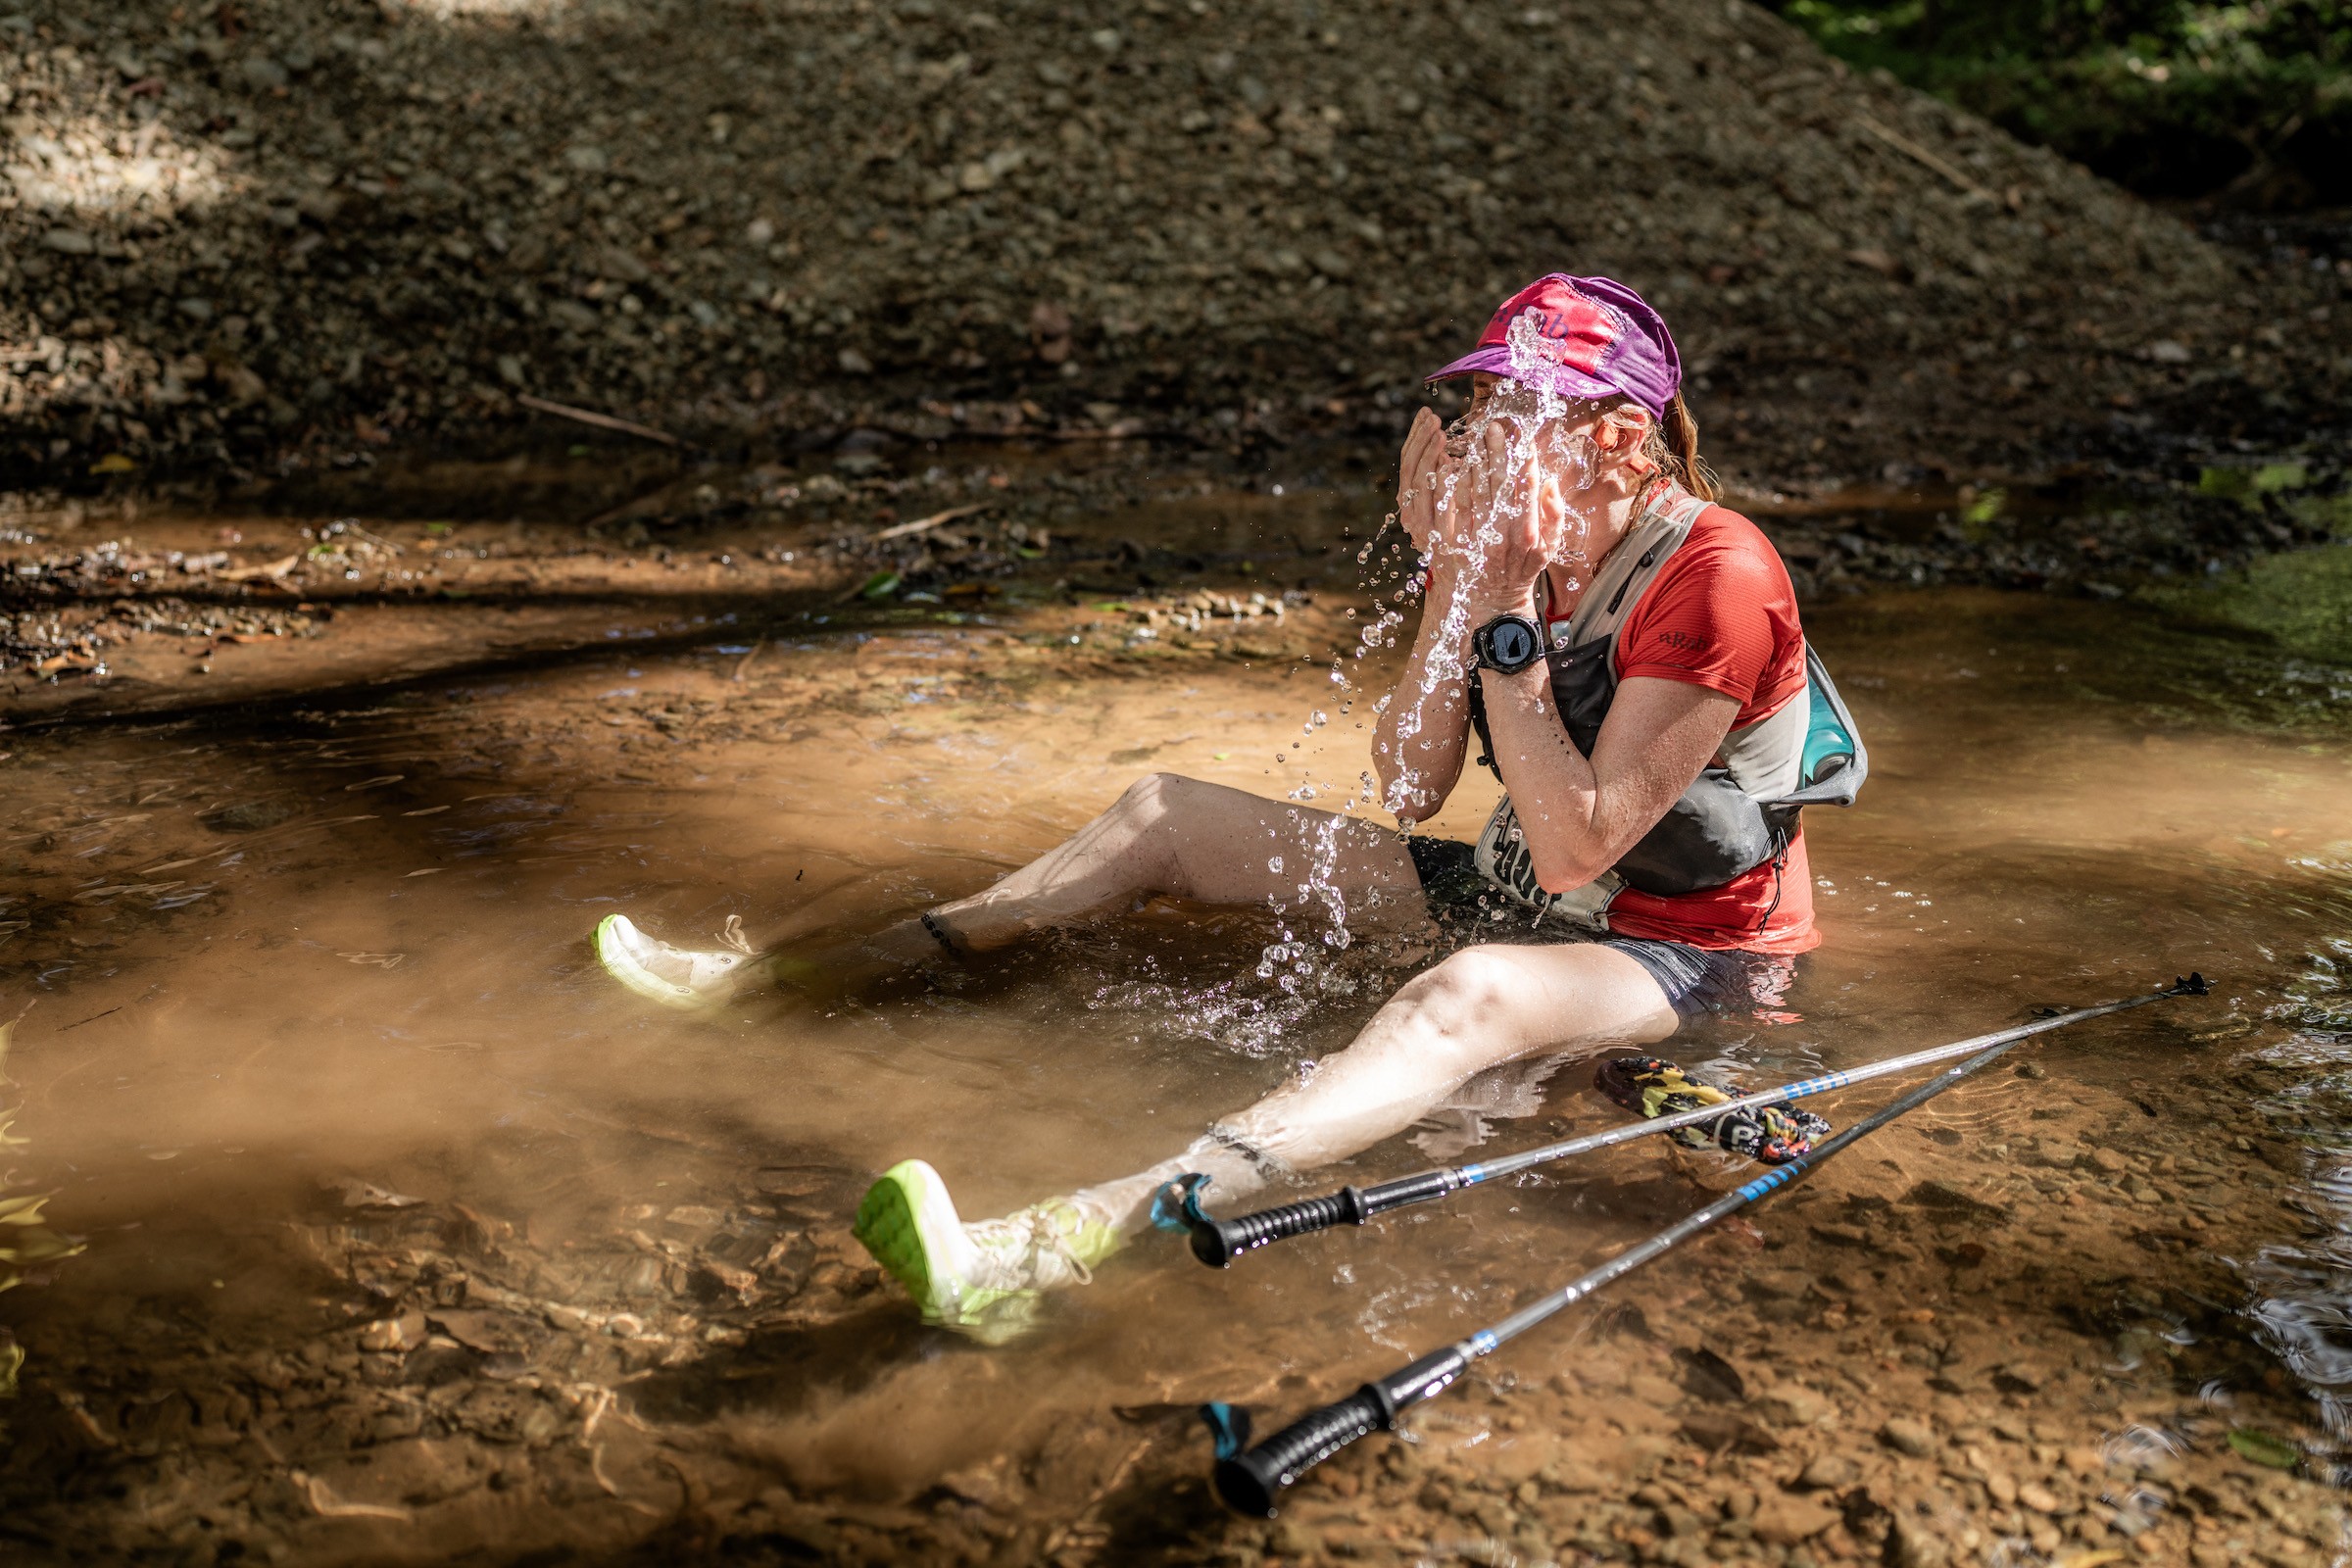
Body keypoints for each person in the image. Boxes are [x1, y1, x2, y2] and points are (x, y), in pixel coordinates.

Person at [594, 273, 1849, 1342]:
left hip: (1684, 957)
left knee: (1459, 997)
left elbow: (1582, 835)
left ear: (1623, 438)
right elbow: (1413, 781)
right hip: (1526, 887)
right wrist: (1454, 580)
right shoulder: (1516, 545)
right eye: (1481, 407)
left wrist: (1504, 595)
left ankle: (1068, 1239)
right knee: (1164, 812)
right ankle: (784, 982)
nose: (1488, 438)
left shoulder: (1719, 575)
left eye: (1524, 412)